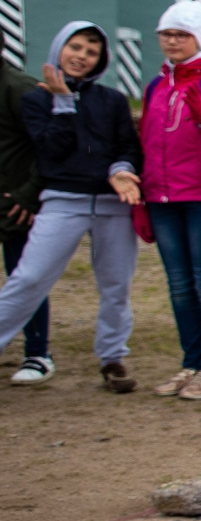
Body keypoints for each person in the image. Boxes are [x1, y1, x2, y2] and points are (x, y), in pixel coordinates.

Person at [0, 21, 145, 392]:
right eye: (75, 47)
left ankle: (112, 359)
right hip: (62, 203)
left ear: (101, 60)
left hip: (113, 205)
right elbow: (51, 150)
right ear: (59, 49)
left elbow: (127, 147)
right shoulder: (36, 99)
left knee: (116, 286)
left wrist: (120, 170)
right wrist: (63, 102)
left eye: (91, 52)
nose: (81, 56)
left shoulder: (112, 100)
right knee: (28, 278)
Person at [138, 1, 201, 400]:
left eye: (182, 34)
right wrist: (141, 197)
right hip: (161, 196)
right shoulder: (156, 86)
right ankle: (191, 362)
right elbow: (146, 141)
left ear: (197, 38)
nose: (173, 41)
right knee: (179, 285)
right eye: (167, 34)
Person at [0, 52, 50, 385]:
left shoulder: (20, 88)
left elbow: (48, 143)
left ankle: (37, 353)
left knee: (25, 277)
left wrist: (31, 193)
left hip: (15, 202)